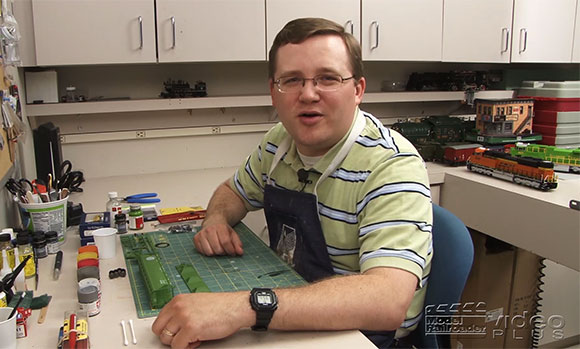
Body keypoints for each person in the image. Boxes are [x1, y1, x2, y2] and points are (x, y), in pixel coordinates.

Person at [152, 17, 432, 349]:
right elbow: (232, 192)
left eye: (327, 78)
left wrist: (243, 307)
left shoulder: (392, 165)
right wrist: (215, 219)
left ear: (357, 90)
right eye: (292, 80)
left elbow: (387, 301)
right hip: (289, 313)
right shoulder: (278, 143)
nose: (308, 94)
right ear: (274, 91)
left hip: (363, 337)